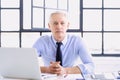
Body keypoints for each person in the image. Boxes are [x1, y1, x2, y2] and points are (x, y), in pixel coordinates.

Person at [33, 11, 94, 76]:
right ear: (49, 26)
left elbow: (90, 65)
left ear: (67, 25)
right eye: (55, 23)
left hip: (69, 77)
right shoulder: (41, 41)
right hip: (48, 77)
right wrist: (46, 69)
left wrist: (65, 70)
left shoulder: (77, 41)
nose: (59, 27)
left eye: (62, 23)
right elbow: (27, 64)